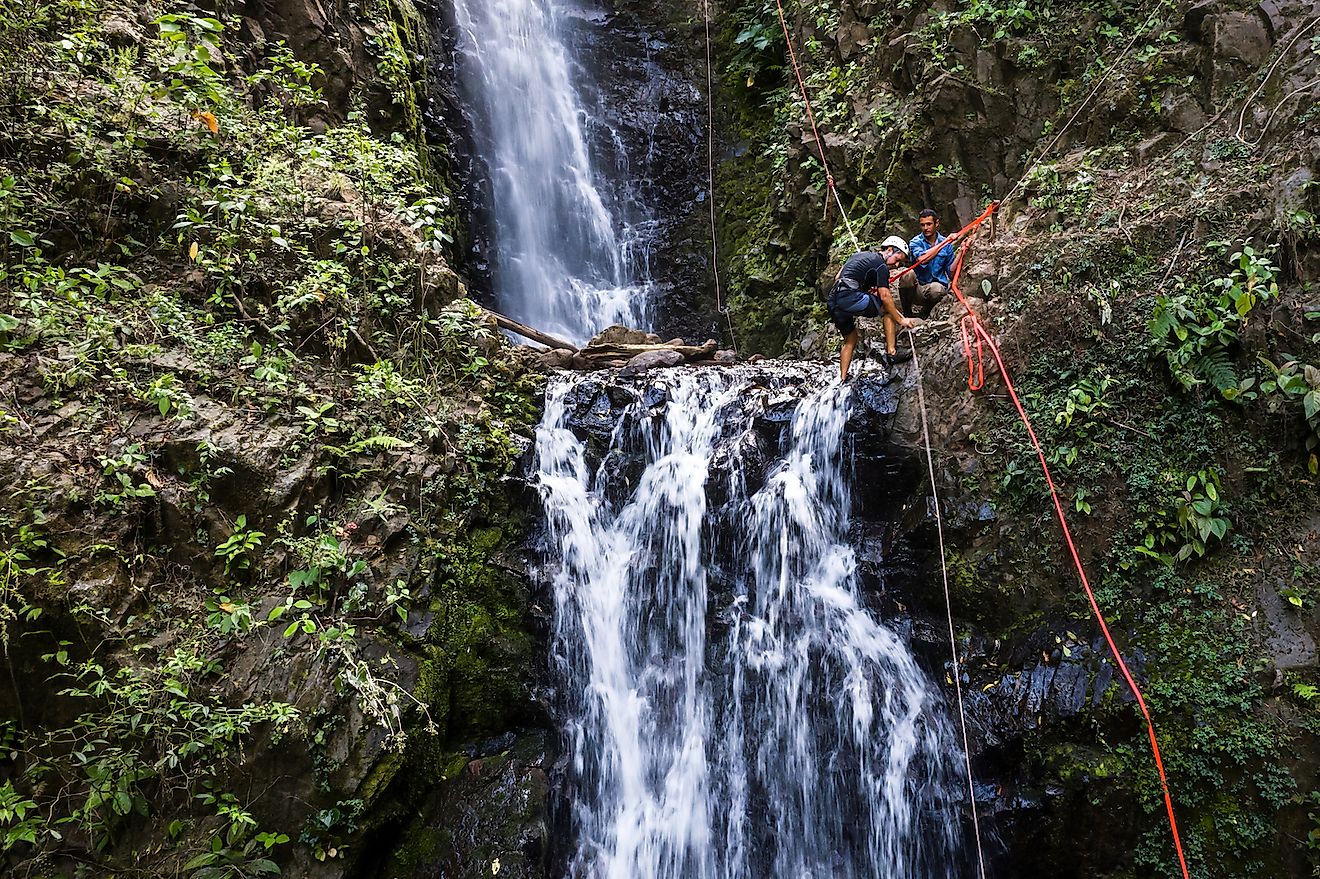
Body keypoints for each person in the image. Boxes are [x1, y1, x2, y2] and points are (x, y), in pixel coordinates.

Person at [826, 242, 917, 382]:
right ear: (890, 250)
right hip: (849, 296)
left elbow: (838, 277)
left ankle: (842, 378)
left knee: (850, 339)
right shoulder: (881, 265)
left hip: (834, 299)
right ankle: (892, 352)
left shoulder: (858, 255)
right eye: (898, 259)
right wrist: (901, 320)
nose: (897, 265)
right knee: (887, 310)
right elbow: (885, 296)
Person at [906, 209, 954, 316]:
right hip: (918, 288)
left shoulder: (947, 244)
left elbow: (951, 273)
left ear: (936, 223)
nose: (925, 228)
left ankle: (927, 312)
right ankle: (907, 313)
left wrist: (963, 250)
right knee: (906, 276)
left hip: (936, 288)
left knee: (936, 289)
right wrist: (945, 243)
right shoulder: (915, 242)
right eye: (922, 225)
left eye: (929, 224)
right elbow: (922, 259)